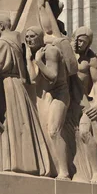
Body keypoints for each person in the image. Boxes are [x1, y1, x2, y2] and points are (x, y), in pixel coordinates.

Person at [0, 14, 52, 176]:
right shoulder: (15, 43)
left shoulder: (1, 44)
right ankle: (24, 162)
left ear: (2, 26)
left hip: (6, 85)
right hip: (16, 85)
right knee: (19, 122)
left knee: (11, 122)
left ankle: (15, 162)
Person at [25, 26, 70, 180]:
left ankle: (64, 171)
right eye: (27, 37)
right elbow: (32, 78)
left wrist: (38, 61)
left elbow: (52, 76)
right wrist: (28, 59)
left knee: (53, 130)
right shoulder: (32, 54)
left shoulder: (50, 51)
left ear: (39, 37)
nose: (29, 39)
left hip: (59, 94)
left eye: (32, 36)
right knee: (43, 131)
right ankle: (51, 167)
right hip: (45, 95)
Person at [72, 26, 97, 183]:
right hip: (70, 101)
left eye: (84, 41)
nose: (80, 43)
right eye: (78, 40)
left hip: (85, 102)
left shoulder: (92, 60)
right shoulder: (69, 53)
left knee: (85, 132)